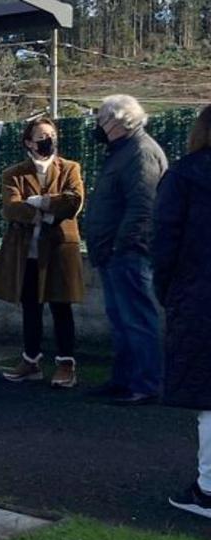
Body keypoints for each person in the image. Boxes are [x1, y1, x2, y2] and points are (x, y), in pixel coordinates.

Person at [82, 95, 168, 406]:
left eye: (102, 120)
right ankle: (123, 380)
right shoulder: (123, 152)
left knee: (136, 319)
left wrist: (122, 245)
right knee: (121, 320)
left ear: (119, 122)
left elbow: (143, 206)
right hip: (115, 253)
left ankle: (145, 383)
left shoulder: (141, 153)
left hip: (128, 253)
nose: (99, 126)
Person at [0, 117, 86, 388]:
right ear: (28, 142)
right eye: (42, 136)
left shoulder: (70, 168)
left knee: (61, 306)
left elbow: (73, 202)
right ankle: (30, 360)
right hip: (27, 251)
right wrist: (47, 211)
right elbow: (11, 208)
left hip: (59, 249)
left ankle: (66, 364)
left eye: (52, 135)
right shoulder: (14, 173)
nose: (49, 140)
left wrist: (39, 203)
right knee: (31, 307)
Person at [157, 105, 211, 519]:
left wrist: (167, 292)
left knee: (207, 397)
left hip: (199, 296)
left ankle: (207, 489)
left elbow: (166, 243)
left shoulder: (184, 176)